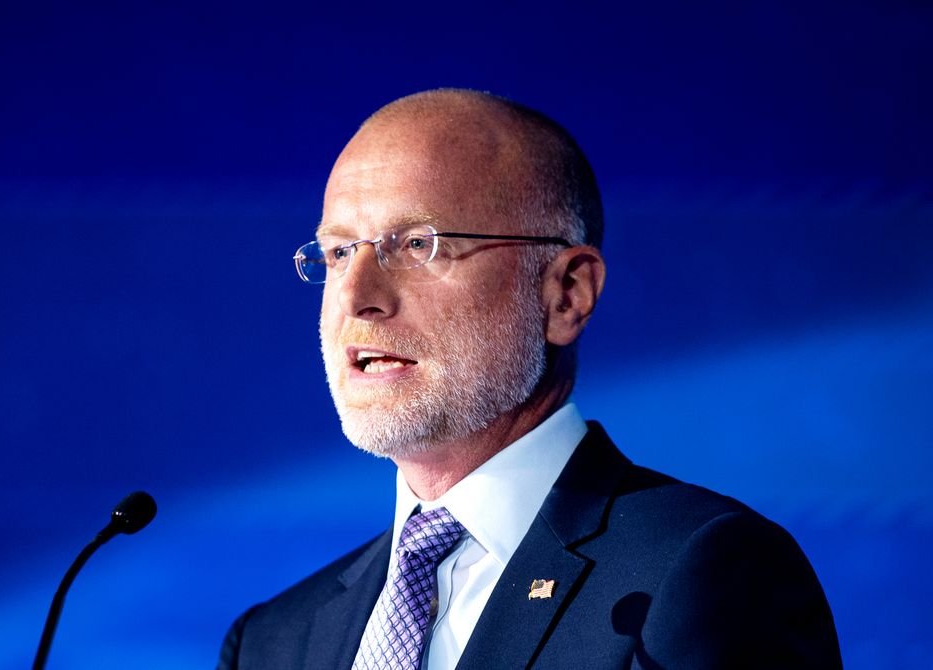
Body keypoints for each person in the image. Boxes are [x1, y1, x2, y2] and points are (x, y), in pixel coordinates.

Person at [216, 88, 841, 669]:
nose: (357, 298)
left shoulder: (705, 573)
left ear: (567, 293)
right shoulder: (271, 643)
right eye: (338, 253)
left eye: (417, 246)